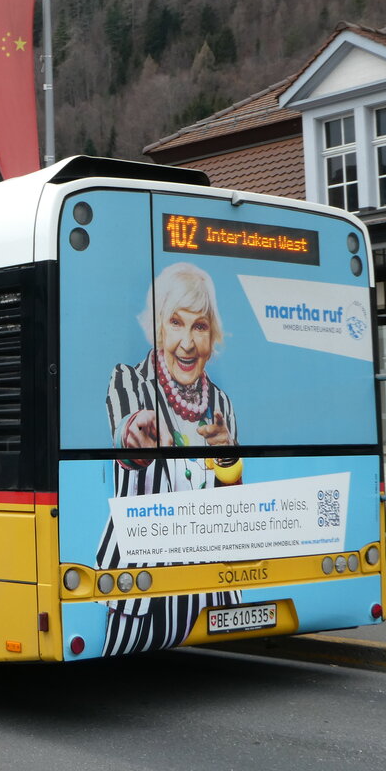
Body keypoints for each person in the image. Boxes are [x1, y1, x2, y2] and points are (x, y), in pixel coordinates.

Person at [98, 262, 241, 655]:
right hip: (141, 585)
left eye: (200, 326)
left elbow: (233, 499)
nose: (188, 343)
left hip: (211, 584)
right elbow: (127, 432)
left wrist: (227, 459)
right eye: (176, 322)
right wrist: (133, 434)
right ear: (159, 326)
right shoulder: (130, 381)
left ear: (212, 335)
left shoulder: (222, 404)